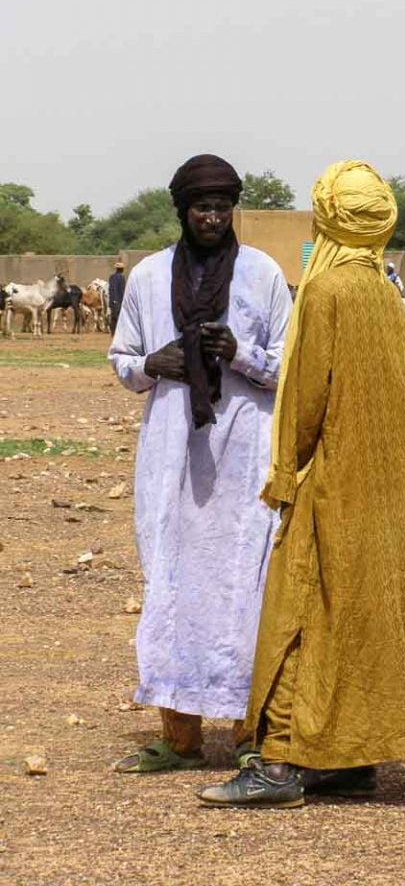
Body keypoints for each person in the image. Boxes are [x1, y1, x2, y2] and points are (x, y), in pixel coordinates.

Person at [196, 160, 405, 808]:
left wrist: (285, 473)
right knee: (361, 612)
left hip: (336, 482)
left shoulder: (326, 292)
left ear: (328, 220)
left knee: (302, 613)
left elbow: (307, 395)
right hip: (391, 486)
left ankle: (281, 765)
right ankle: (350, 758)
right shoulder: (385, 294)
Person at [108, 154, 293, 772]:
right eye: (201, 208)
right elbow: (122, 358)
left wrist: (241, 354)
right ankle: (180, 736)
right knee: (172, 582)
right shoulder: (148, 276)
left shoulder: (263, 274)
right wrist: (149, 366)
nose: (212, 218)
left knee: (246, 585)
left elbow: (288, 364)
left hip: (243, 454)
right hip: (170, 454)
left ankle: (249, 733)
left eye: (221, 207)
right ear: (183, 211)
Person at [108, 261, 126, 335]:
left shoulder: (112, 277)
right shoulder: (121, 277)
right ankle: (117, 332)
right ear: (122, 269)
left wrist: (113, 300)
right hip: (119, 301)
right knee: (118, 317)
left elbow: (111, 289)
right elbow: (122, 290)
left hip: (113, 300)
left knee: (114, 317)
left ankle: (113, 332)